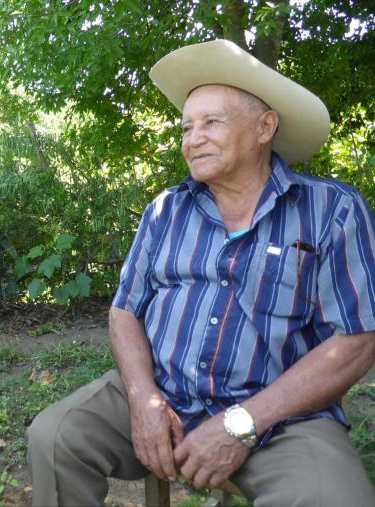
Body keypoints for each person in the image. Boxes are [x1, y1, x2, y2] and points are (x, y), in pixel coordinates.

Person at [27, 39, 375, 506]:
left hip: (280, 418)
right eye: (187, 127)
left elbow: (358, 339)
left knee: (333, 498)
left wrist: (243, 423)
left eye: (212, 122)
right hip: (164, 393)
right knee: (55, 435)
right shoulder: (166, 209)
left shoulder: (331, 209)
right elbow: (124, 311)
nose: (193, 138)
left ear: (264, 127)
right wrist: (143, 399)